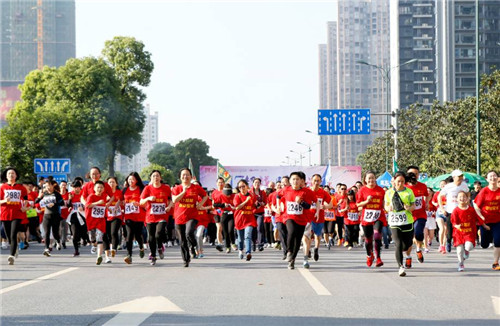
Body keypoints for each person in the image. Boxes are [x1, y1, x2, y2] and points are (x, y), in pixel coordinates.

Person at [171, 168, 208, 267]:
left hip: (192, 216)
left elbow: (205, 196)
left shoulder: (196, 187)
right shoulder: (176, 188)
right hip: (179, 217)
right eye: (183, 175)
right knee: (182, 241)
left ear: (191, 176)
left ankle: (194, 245)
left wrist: (200, 204)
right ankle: (186, 260)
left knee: (189, 232)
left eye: (187, 175)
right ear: (180, 177)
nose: (185, 177)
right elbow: (174, 200)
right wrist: (183, 192)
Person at [279, 172, 315, 270]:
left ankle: (292, 259)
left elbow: (308, 206)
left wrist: (301, 202)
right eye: (293, 179)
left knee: (298, 239)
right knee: (291, 232)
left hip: (301, 219)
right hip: (289, 217)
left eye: (297, 179)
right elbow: (278, 196)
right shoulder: (286, 190)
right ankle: (289, 251)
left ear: (301, 181)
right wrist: (279, 206)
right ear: (290, 181)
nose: (295, 181)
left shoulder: (305, 192)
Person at [384, 172, 416, 277]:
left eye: (402, 181)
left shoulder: (409, 192)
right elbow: (386, 206)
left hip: (407, 221)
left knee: (407, 245)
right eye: (398, 181)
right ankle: (400, 267)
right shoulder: (388, 193)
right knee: (398, 243)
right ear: (394, 181)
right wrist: (388, 208)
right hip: (394, 222)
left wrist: (409, 208)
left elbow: (413, 206)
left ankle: (405, 254)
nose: (400, 183)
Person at [140, 170, 172, 266]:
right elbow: (141, 202)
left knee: (158, 234)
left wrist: (169, 206)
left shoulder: (166, 188)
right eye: (153, 176)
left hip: (162, 216)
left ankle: (159, 247)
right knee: (151, 237)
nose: (156, 178)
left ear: (160, 178)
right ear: (151, 178)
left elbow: (171, 200)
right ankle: (153, 256)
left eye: (157, 176)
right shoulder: (147, 188)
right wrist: (148, 198)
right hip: (150, 216)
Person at [452, 191, 489, 272]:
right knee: (459, 251)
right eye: (460, 197)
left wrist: (484, 225)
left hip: (469, 232)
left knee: (468, 247)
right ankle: (461, 263)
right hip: (459, 233)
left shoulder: (471, 210)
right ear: (457, 199)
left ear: (467, 198)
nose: (462, 198)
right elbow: (453, 222)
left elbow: (478, 219)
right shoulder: (455, 211)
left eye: (463, 196)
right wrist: (456, 225)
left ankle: (467, 251)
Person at [356, 171, 387, 268]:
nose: (371, 180)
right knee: (368, 240)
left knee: (377, 236)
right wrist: (366, 201)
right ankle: (369, 255)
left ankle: (378, 258)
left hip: (378, 216)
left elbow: (383, 204)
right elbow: (358, 205)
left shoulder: (381, 190)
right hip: (367, 217)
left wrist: (387, 208)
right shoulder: (362, 190)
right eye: (369, 178)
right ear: (365, 180)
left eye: (373, 178)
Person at [302, 174, 331, 268]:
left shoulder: (323, 192)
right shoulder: (307, 191)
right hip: (308, 216)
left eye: (318, 180)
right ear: (311, 180)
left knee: (317, 236)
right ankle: (308, 250)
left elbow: (330, 204)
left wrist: (325, 206)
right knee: (308, 235)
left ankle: (316, 249)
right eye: (314, 180)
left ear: (320, 181)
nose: (316, 182)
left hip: (319, 216)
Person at [0, 167, 28, 265]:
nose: (11, 175)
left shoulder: (21, 188)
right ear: (6, 176)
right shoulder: (2, 187)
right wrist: (5, 201)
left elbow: (26, 199)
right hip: (5, 214)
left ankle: (11, 256)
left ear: (16, 176)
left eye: (13, 173)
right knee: (8, 236)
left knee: (13, 234)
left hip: (17, 214)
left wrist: (24, 206)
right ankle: (14, 249)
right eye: (9, 174)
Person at [473, 170, 500, 270]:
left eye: (494, 176)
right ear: (487, 179)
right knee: (485, 244)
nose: (493, 178)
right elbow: (476, 206)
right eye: (491, 176)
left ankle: (496, 262)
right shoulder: (484, 191)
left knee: (498, 241)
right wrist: (481, 216)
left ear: (497, 178)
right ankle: (482, 235)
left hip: (498, 221)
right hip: (485, 222)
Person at [438, 170, 470, 253]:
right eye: (458, 176)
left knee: (462, 228)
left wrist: (467, 201)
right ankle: (448, 241)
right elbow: (439, 197)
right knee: (450, 230)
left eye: (461, 176)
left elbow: (468, 193)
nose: (460, 178)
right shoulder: (449, 186)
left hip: (461, 210)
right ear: (454, 177)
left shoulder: (464, 185)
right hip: (450, 211)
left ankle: (463, 245)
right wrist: (442, 209)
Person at [406, 166, 430, 263]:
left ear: (418, 175)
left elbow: (427, 195)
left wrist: (427, 202)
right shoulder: (404, 187)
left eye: (416, 174)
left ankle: (418, 249)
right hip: (407, 216)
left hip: (420, 214)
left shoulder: (422, 186)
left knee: (418, 232)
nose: (413, 176)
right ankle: (408, 257)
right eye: (411, 174)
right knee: (408, 239)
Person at [36, 179, 65, 257]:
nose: (48, 187)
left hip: (55, 215)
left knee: (55, 232)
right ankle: (46, 248)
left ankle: (58, 241)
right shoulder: (44, 194)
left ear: (53, 186)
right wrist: (39, 197)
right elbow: (36, 202)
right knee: (47, 233)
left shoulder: (57, 194)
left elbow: (62, 203)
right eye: (46, 186)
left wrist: (55, 203)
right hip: (46, 215)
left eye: (49, 185)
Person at [123, 172, 146, 264]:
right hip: (128, 216)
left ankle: (141, 246)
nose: (130, 181)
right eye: (129, 180)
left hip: (139, 216)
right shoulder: (125, 190)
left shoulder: (141, 189)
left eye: (132, 179)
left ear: (137, 180)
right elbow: (121, 200)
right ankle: (129, 255)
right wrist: (122, 204)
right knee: (129, 235)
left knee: (137, 235)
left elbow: (144, 201)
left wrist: (139, 204)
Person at [84, 180, 109, 265]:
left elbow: (109, 200)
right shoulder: (91, 196)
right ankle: (93, 245)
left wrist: (107, 206)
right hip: (91, 221)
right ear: (94, 188)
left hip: (100, 221)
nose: (100, 189)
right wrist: (97, 203)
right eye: (98, 187)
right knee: (92, 238)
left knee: (100, 239)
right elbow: (87, 205)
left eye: (101, 187)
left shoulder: (105, 196)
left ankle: (99, 256)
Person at [233, 179, 258, 260]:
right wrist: (246, 201)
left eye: (243, 186)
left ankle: (248, 252)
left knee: (247, 236)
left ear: (247, 186)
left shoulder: (252, 195)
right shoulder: (237, 196)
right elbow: (237, 207)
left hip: (249, 220)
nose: (242, 188)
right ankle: (240, 250)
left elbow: (254, 205)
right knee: (240, 239)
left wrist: (257, 204)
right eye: (239, 187)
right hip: (239, 220)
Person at [104, 176, 123, 263]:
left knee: (114, 232)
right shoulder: (104, 193)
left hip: (117, 215)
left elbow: (120, 201)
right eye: (109, 182)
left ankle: (114, 249)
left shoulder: (119, 192)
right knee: (106, 234)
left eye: (113, 182)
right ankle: (107, 254)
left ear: (116, 184)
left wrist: (116, 206)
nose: (111, 184)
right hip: (106, 215)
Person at [212, 183, 235, 253]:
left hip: (231, 214)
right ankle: (227, 246)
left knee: (230, 230)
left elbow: (238, 204)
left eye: (229, 194)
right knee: (225, 231)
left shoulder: (234, 196)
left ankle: (233, 243)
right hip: (224, 214)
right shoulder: (220, 196)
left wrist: (234, 206)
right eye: (226, 194)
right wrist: (223, 205)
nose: (228, 195)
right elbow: (214, 205)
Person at [67, 180, 86, 256]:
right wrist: (70, 199)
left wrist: (83, 208)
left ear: (80, 187)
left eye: (77, 187)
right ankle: (76, 250)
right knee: (74, 234)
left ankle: (84, 238)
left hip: (83, 215)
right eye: (74, 187)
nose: (75, 189)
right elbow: (68, 205)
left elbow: (87, 204)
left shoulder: (83, 194)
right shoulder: (71, 194)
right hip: (74, 215)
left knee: (83, 231)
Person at [249, 178, 267, 252]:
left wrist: (263, 203)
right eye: (255, 182)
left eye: (258, 183)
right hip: (252, 213)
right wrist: (254, 203)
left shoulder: (263, 193)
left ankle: (260, 244)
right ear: (253, 184)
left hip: (260, 212)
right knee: (253, 229)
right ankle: (253, 244)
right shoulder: (250, 192)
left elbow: (265, 202)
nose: (257, 184)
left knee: (259, 228)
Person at [432, 179, 449, 253]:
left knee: (446, 231)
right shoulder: (437, 193)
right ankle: (441, 244)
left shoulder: (449, 193)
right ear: (440, 186)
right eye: (441, 184)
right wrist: (435, 204)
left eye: (444, 184)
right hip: (439, 213)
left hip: (447, 213)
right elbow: (433, 201)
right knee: (441, 229)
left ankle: (443, 246)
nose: (443, 185)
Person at [210, 177, 226, 251]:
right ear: (216, 184)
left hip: (224, 212)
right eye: (219, 182)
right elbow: (213, 204)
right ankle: (219, 243)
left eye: (222, 182)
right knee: (219, 227)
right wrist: (217, 206)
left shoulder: (226, 192)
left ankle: (226, 241)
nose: (221, 184)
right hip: (216, 212)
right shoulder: (214, 192)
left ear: (224, 183)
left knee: (223, 228)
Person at [424, 187, 437, 253]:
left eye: (429, 191)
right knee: (425, 234)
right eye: (427, 191)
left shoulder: (433, 201)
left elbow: (436, 209)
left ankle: (430, 240)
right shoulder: (422, 201)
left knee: (431, 235)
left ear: (432, 193)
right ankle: (426, 247)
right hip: (424, 219)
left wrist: (434, 213)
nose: (428, 192)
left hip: (431, 219)